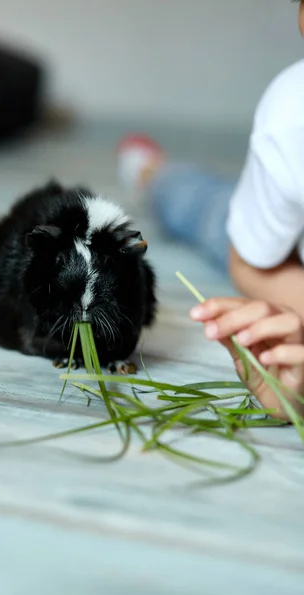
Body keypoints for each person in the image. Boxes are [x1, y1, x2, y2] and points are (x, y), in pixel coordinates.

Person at [117, 1, 304, 421]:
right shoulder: (294, 115)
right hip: (286, 242)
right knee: (207, 205)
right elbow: (250, 259)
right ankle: (152, 171)